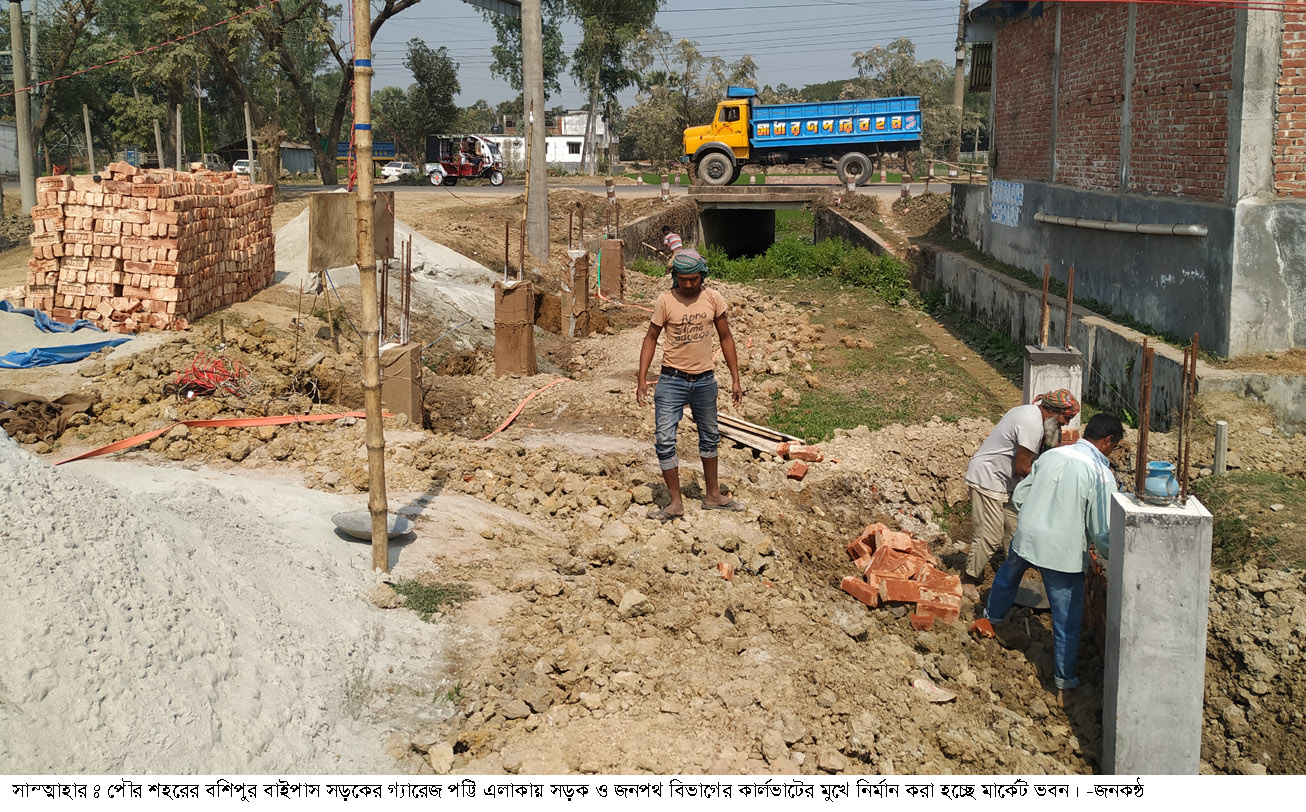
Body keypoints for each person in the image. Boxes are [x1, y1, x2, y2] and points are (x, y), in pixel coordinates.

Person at [969, 413, 1124, 705]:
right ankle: (1064, 680)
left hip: (1028, 535)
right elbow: (1103, 531)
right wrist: (1111, 558)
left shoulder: (1052, 456)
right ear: (1108, 441)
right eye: (1114, 446)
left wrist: (1037, 516)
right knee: (1066, 617)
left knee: (1006, 577)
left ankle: (991, 620)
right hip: (1061, 551)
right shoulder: (1101, 474)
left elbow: (1021, 496)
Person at [635, 249, 744, 521]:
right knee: (664, 439)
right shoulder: (665, 301)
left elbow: (726, 337)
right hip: (671, 380)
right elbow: (650, 339)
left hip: (704, 380)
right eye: (683, 279)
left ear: (701, 277)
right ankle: (675, 503)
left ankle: (713, 495)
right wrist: (641, 379)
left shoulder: (713, 299)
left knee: (709, 436)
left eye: (693, 279)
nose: (688, 284)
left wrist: (735, 379)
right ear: (675, 277)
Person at [961, 389, 1081, 599]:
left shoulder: (1035, 416)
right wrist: (1048, 489)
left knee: (1018, 531)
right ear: (1053, 411)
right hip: (988, 478)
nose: (1065, 424)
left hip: (1006, 483)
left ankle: (1011, 577)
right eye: (1065, 419)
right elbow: (1023, 468)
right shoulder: (1031, 424)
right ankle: (968, 578)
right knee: (990, 536)